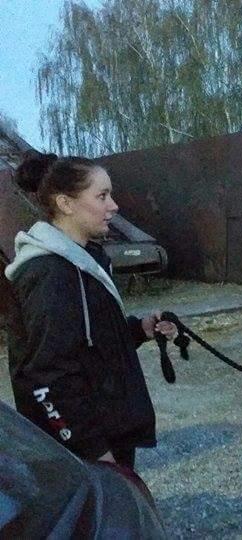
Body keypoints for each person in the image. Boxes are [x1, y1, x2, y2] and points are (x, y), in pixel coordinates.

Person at [4, 151, 177, 471]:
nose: (114, 206)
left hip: (106, 433)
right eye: (102, 196)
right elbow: (47, 376)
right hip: (80, 451)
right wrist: (96, 452)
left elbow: (90, 338)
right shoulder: (50, 274)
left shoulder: (87, 260)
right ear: (66, 204)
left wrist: (141, 329)